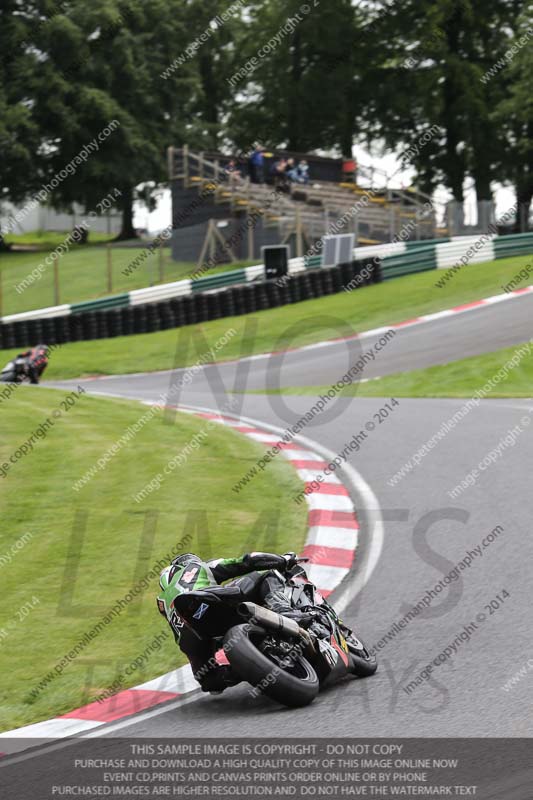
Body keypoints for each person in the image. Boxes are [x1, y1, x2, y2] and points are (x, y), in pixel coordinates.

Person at [156, 551, 309, 693]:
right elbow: (246, 561)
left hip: (190, 636)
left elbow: (212, 689)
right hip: (210, 602)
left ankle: (243, 670)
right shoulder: (198, 567)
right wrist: (283, 560)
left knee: (208, 680)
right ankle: (285, 612)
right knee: (268, 574)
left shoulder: (162, 601)